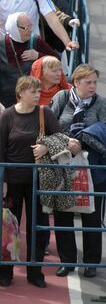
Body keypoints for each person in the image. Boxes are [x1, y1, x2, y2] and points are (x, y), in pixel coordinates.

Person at [0, 75, 61, 289]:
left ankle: (35, 270)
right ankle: (5, 271)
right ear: (21, 92)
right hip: (12, 180)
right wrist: (0, 180)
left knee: (38, 227)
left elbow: (61, 138)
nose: (37, 95)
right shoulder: (7, 116)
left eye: (38, 91)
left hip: (39, 181)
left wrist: (47, 146)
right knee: (8, 227)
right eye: (33, 91)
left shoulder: (45, 113)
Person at [50, 64, 106, 279]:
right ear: (76, 82)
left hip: (93, 169)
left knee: (91, 217)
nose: (93, 86)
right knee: (63, 214)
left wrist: (85, 140)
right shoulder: (61, 98)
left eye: (95, 82)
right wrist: (67, 141)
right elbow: (47, 127)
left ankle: (91, 262)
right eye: (88, 82)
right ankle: (68, 261)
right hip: (63, 165)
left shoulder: (101, 104)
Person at [0, 12, 58, 107]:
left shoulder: (36, 41)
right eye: (25, 28)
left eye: (30, 26)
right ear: (14, 28)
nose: (29, 30)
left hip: (34, 99)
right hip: (8, 101)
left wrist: (38, 55)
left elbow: (57, 59)